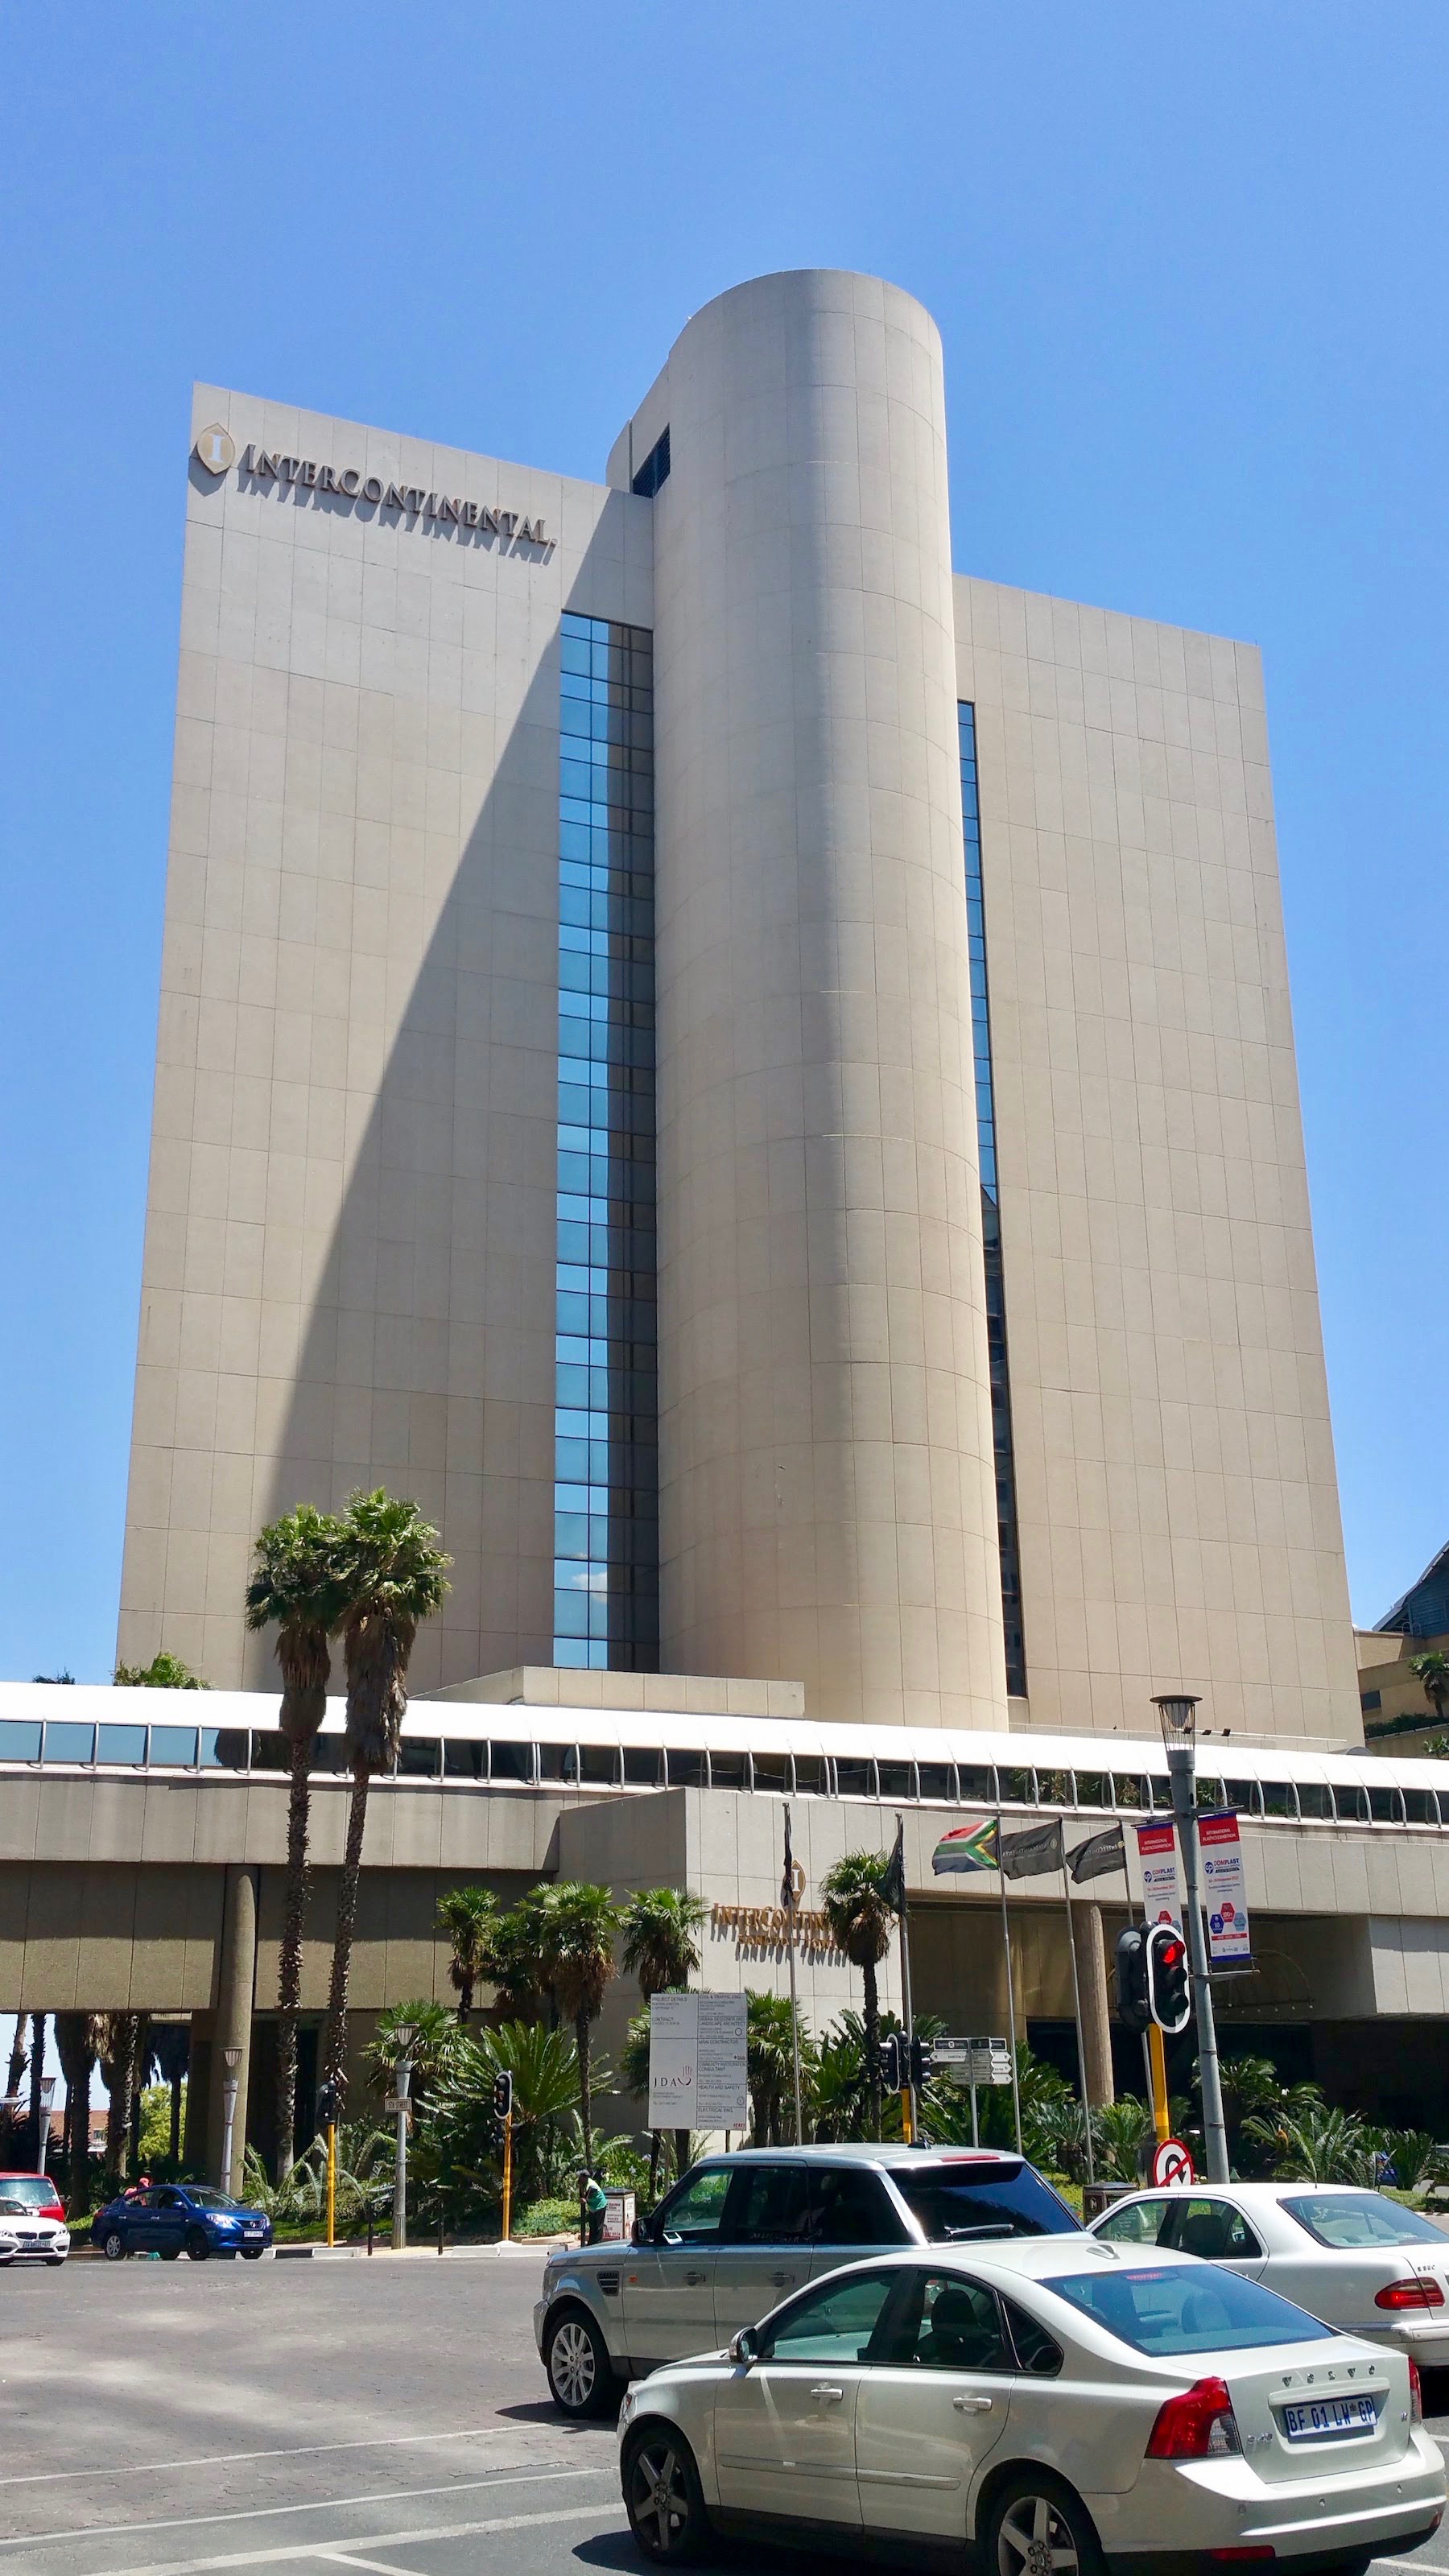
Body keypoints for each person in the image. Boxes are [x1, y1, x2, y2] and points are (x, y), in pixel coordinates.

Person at [584, 2169, 609, 2245]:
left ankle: (598, 2244)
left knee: (598, 2226)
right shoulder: (586, 2183)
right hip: (593, 2207)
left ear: (585, 2178)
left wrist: (584, 2200)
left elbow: (588, 2198)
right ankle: (591, 2244)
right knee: (592, 2226)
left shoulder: (591, 2186)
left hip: (600, 2206)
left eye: (580, 2178)